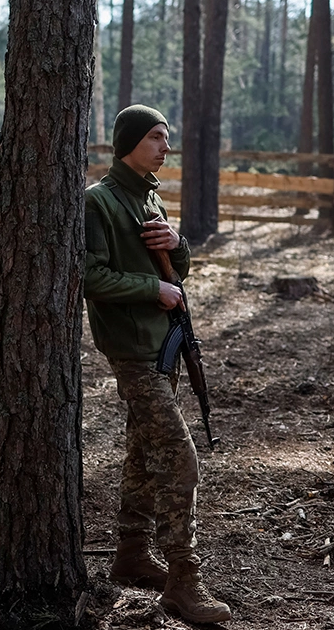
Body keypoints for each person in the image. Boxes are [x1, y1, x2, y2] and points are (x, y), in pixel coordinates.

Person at [84, 104, 232, 624]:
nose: (165, 147)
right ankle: (183, 582)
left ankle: (130, 554)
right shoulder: (99, 202)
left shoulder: (150, 197)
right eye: (155, 137)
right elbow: (89, 276)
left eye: (166, 137)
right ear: (128, 141)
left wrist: (177, 244)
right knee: (180, 458)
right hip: (132, 350)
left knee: (143, 453)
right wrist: (153, 289)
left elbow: (177, 271)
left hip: (162, 344)